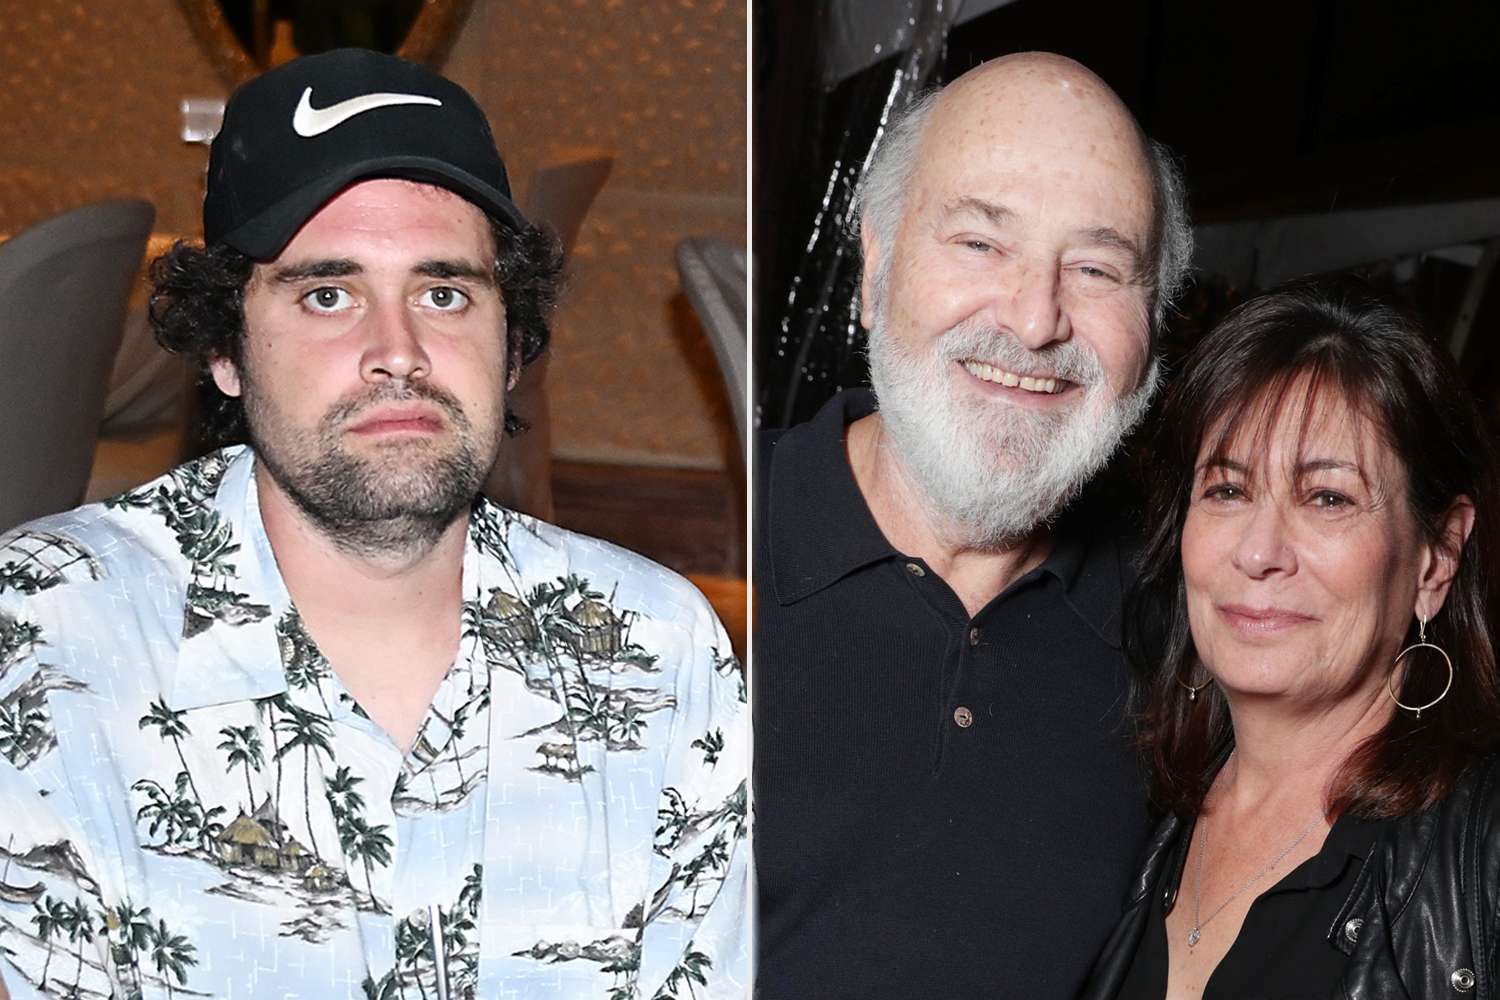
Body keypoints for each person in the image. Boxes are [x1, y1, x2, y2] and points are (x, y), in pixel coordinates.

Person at [0, 49, 746, 1000]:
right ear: (225, 349)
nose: (398, 353)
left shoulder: (658, 650)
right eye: (327, 295)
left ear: (511, 343)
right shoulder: (45, 639)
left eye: (443, 294)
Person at [754, 52, 1193, 997]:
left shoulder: (1189, 647)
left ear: (1153, 327)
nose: (1036, 321)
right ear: (876, 266)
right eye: (982, 244)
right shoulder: (682, 578)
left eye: (1097, 267)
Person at [1082, 276, 1500, 999]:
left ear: (1437, 557)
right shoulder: (1126, 814)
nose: (1259, 550)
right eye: (1228, 490)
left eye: (1328, 497)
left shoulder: (1485, 851)